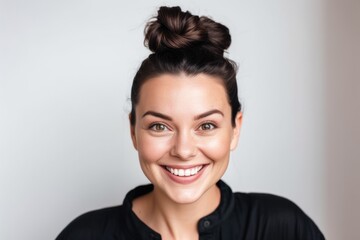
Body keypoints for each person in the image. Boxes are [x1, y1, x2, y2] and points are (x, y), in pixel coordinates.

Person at [56, 6, 325, 240]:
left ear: (235, 128)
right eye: (159, 126)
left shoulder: (283, 229)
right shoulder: (83, 235)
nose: (183, 150)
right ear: (133, 131)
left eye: (206, 126)